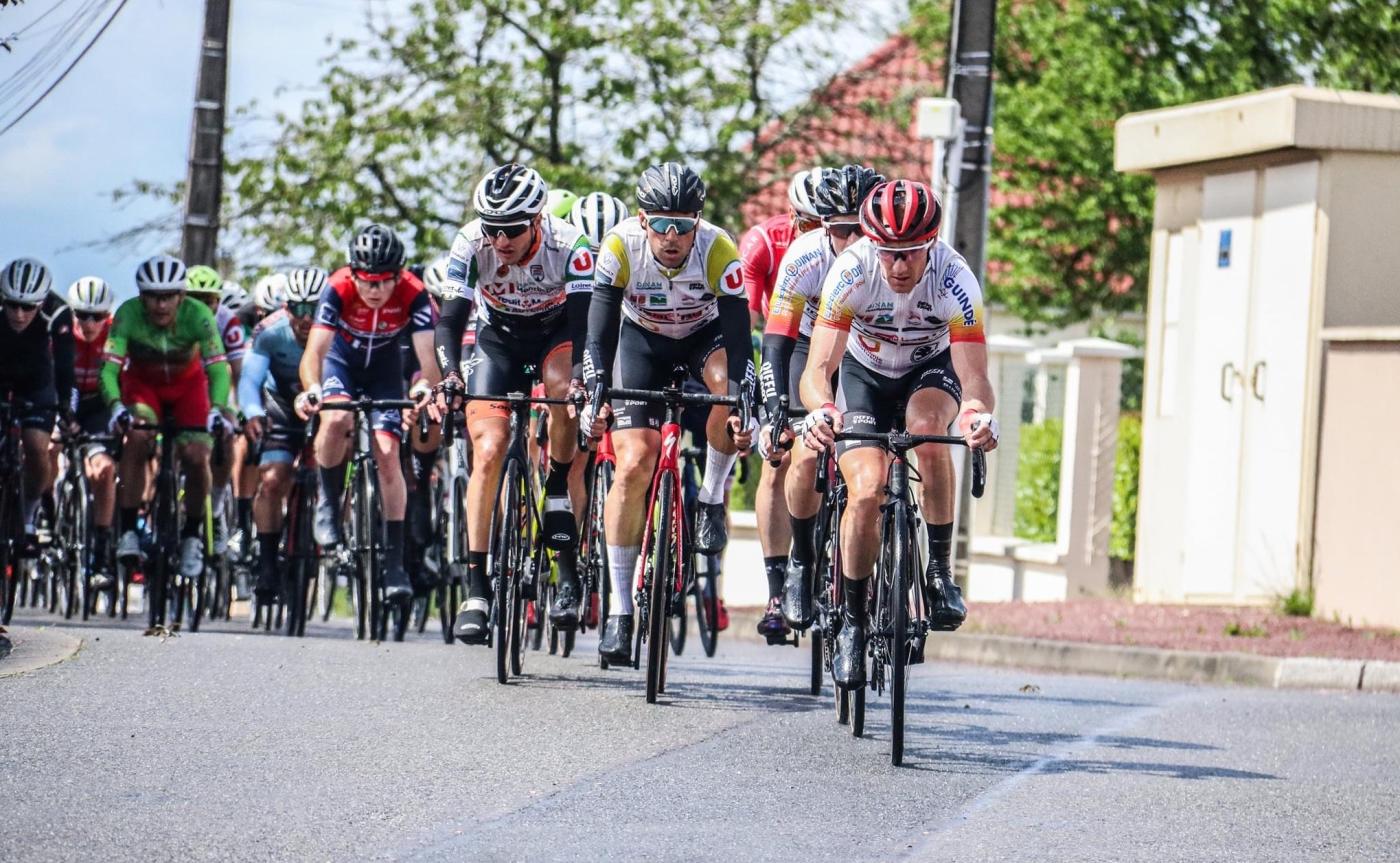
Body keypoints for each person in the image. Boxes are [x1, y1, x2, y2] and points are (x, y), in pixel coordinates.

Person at [799, 180, 999, 689]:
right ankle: (853, 623)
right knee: (864, 490)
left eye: (909, 254)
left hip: (929, 371)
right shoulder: (851, 271)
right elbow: (818, 367)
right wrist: (821, 408)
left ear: (931, 243)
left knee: (929, 429)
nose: (898, 266)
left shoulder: (956, 280)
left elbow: (975, 379)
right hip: (864, 376)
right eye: (888, 254)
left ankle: (938, 572)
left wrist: (976, 416)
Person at [581, 162, 756, 663]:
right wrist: (596, 390)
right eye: (661, 224)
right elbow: (597, 335)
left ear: (698, 223)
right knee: (635, 462)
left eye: (684, 223)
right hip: (641, 344)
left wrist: (743, 397)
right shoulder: (618, 249)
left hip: (705, 340)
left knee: (727, 388)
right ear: (642, 220)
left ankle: (709, 496)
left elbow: (741, 342)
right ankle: (619, 611)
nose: (673, 235)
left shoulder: (719, 249)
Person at [433, 163, 594, 641]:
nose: (500, 240)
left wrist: (587, 377)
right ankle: (477, 587)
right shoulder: (470, 243)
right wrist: (449, 375)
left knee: (564, 389)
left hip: (558, 335)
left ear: (538, 220)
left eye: (512, 230)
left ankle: (561, 491)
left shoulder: (572, 247)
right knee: (488, 449)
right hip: (498, 340)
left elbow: (588, 329)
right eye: (493, 228)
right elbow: (449, 320)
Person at [758, 164, 884, 636]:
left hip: (867, 355)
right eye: (840, 230)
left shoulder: (890, 260)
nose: (852, 242)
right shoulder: (804, 257)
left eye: (862, 230)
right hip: (809, 351)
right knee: (803, 450)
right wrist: (775, 411)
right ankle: (802, 560)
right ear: (824, 227)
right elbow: (775, 343)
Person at [296, 224, 438, 602]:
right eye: (367, 282)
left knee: (389, 456)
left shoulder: (415, 293)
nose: (374, 291)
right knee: (337, 417)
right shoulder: (338, 286)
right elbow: (315, 352)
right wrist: (313, 388)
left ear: (398, 275)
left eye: (383, 282)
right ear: (353, 273)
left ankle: (394, 564)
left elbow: (428, 357)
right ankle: (328, 502)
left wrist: (423, 385)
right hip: (342, 364)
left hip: (386, 372)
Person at [103, 255, 234, 581]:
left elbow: (218, 368)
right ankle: (129, 529)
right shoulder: (128, 314)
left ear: (181, 296)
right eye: (152, 296)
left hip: (188, 388)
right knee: (136, 437)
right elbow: (109, 369)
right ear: (141, 296)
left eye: (168, 297)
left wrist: (217, 408)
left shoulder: (199, 314)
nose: (160, 305)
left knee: (197, 454)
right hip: (143, 388)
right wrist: (116, 405)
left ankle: (191, 535)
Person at [239, 266, 325, 601]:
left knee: (331, 462)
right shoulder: (269, 331)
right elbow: (249, 381)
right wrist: (252, 413)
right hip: (280, 402)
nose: (306, 320)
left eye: (314, 310)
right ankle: (267, 559)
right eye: (298, 310)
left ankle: (326, 526)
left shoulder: (335, 330)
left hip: (323, 400)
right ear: (285, 307)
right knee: (273, 478)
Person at [0, 258, 74, 555]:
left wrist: (66, 406)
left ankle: (29, 515)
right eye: (12, 305)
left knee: (35, 445)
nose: (19, 314)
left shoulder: (58, 311)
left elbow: (66, 365)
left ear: (41, 302)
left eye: (28, 307)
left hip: (37, 384)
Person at [185, 265, 249, 554]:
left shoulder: (228, 322)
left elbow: (238, 373)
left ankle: (217, 502)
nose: (202, 306)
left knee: (227, 432)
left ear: (218, 302)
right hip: (181, 388)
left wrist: (242, 411)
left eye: (208, 300)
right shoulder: (172, 319)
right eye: (194, 298)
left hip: (215, 389)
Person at [67, 276, 119, 586]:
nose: (89, 323)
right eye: (81, 315)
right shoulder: (59, 335)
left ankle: (100, 550)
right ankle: (44, 516)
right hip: (67, 401)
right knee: (45, 449)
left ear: (107, 316)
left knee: (104, 470)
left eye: (97, 316)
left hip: (100, 405)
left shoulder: (115, 336)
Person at [739, 168, 825, 328]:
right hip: (784, 328)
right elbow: (744, 319)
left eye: (826, 226)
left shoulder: (849, 238)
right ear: (792, 216)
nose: (819, 236)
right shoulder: (764, 242)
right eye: (810, 225)